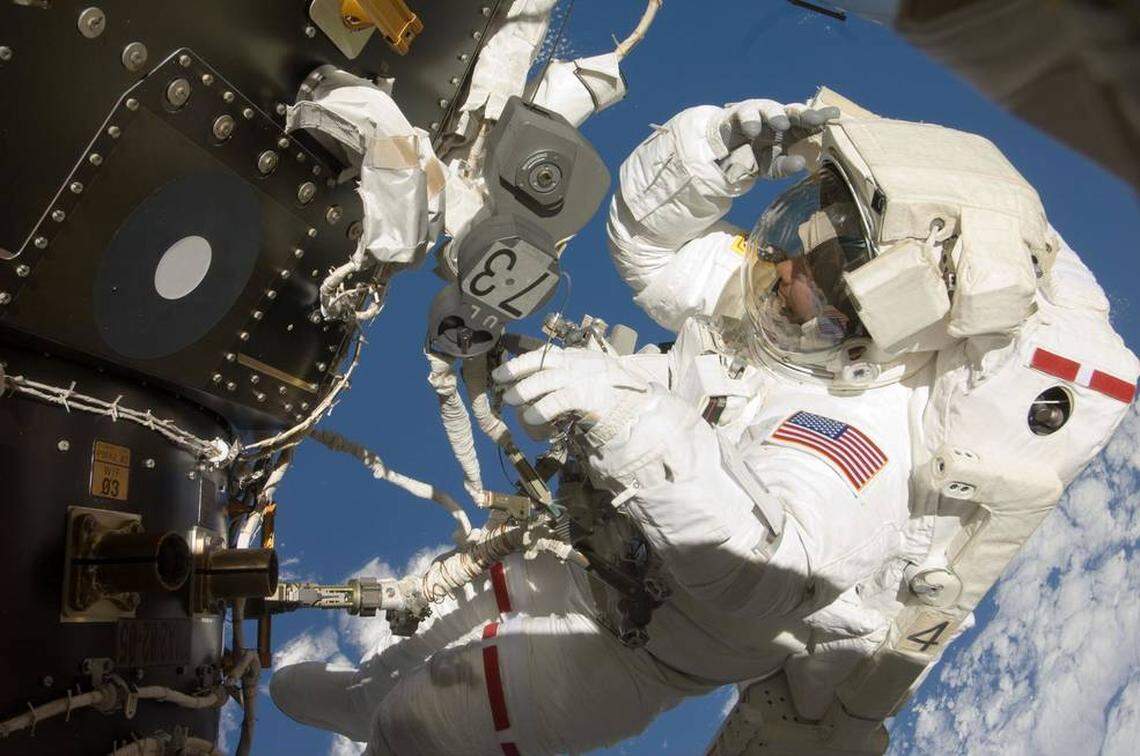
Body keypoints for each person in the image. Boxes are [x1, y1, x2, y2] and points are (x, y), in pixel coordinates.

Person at [270, 94, 1138, 754]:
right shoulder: (782, 314)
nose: (781, 258)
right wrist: (712, 156)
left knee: (420, 724)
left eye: (813, 261)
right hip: (592, 554)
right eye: (801, 222)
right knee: (431, 631)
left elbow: (760, 575)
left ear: (874, 313)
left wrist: (629, 416)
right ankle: (354, 695)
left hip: (628, 652)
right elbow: (649, 251)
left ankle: (368, 723)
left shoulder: (867, 441)